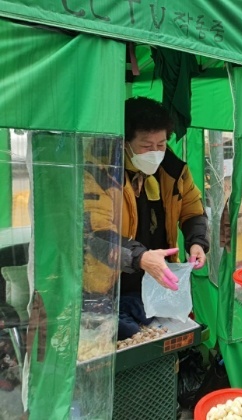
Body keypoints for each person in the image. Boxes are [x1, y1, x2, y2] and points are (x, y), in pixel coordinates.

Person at [83, 96, 209, 339]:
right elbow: (96, 235)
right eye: (145, 145)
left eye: (161, 144)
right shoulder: (100, 171)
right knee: (126, 337)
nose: (155, 152)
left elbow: (193, 210)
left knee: (168, 334)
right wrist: (140, 257)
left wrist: (197, 242)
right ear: (125, 142)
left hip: (154, 282)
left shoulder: (173, 168)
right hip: (108, 288)